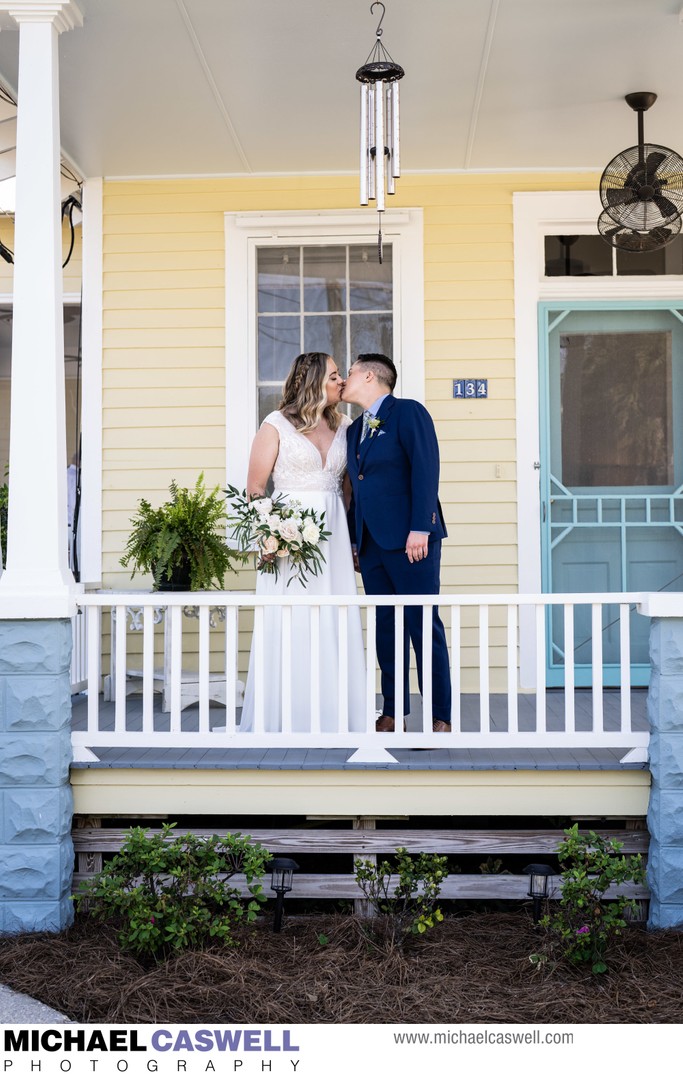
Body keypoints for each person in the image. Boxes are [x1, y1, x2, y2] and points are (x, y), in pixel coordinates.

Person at [239, 352, 367, 732]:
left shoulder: (345, 425)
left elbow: (347, 492)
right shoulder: (275, 425)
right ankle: (286, 715)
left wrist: (354, 538)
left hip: (333, 536)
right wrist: (269, 535)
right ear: (313, 382)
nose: (342, 380)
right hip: (288, 535)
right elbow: (255, 488)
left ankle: (335, 714)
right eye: (334, 375)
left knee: (334, 617)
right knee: (291, 618)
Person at [342, 353, 452, 732]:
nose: (344, 378)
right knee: (386, 629)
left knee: (423, 626)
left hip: (412, 541)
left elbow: (426, 468)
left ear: (370, 376)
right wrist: (356, 542)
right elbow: (356, 491)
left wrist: (421, 527)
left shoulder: (409, 412)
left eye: (350, 372)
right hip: (372, 546)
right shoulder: (354, 431)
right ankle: (393, 712)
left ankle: (440, 717)